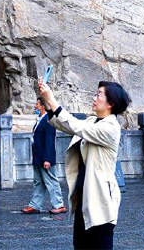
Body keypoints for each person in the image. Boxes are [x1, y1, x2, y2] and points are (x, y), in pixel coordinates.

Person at [38, 79, 130, 250]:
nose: (94, 98)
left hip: (100, 201)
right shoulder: (91, 121)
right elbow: (65, 124)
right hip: (83, 199)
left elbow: (75, 126)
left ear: (111, 103)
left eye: (99, 95)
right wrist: (47, 100)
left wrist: (52, 100)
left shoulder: (111, 127)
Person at [22, 97, 66, 215]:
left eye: (37, 104)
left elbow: (49, 141)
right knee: (38, 182)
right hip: (38, 157)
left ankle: (59, 204)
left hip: (45, 157)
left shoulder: (48, 120)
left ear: (43, 106)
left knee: (51, 181)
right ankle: (35, 205)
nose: (35, 106)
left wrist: (47, 159)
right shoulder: (40, 119)